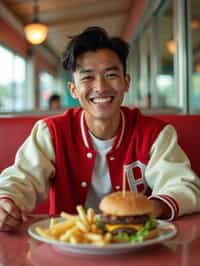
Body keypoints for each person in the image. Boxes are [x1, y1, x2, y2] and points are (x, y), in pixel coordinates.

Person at [0, 26, 200, 232]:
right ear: (74, 89)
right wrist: (6, 202)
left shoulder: (156, 134)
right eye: (87, 77)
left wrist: (150, 208)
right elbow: (21, 179)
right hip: (67, 245)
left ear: (126, 82)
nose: (101, 87)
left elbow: (184, 185)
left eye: (111, 74)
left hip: (137, 245)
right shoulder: (50, 132)